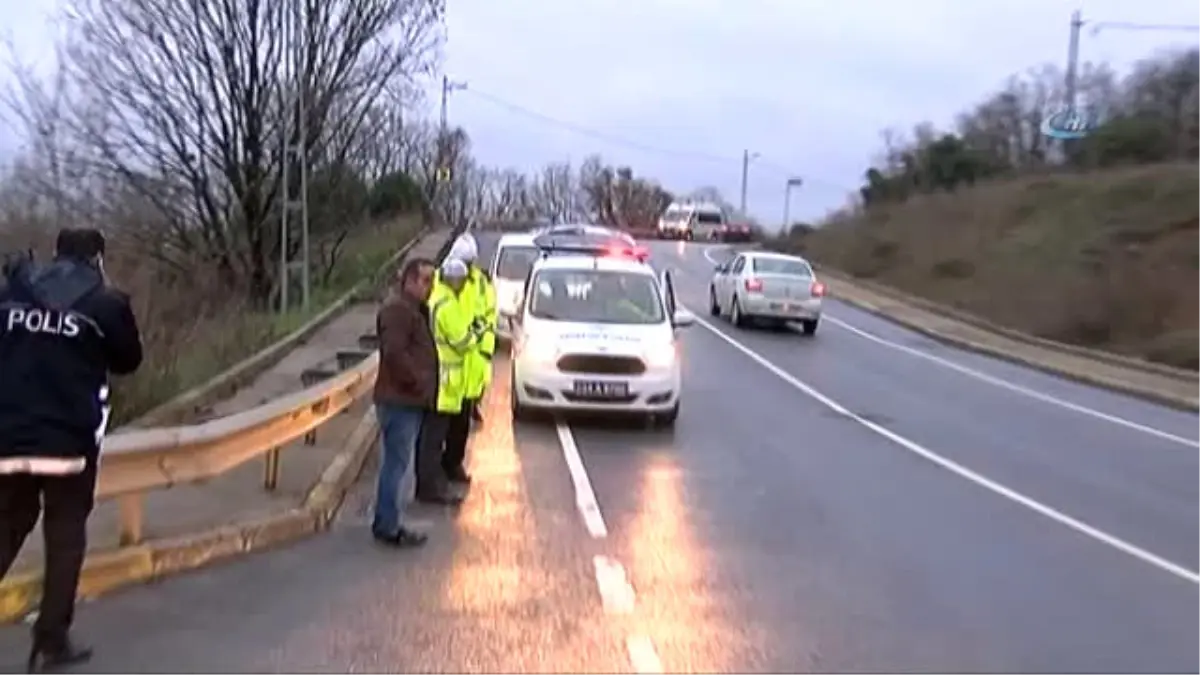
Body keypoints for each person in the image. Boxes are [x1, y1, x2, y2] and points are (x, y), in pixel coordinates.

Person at [0, 228, 143, 671]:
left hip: (9, 436)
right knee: (65, 539)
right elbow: (128, 360)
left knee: (6, 528)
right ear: (98, 258)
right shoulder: (105, 302)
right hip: (69, 441)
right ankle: (51, 641)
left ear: (56, 253)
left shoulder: (14, 292)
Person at [370, 256, 439, 548]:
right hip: (400, 400)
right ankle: (388, 525)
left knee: (395, 464)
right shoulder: (398, 310)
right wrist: (418, 382)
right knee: (396, 466)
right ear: (409, 280)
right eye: (425, 280)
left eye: (431, 281)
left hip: (404, 398)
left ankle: (386, 520)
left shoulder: (410, 309)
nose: (429, 286)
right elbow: (394, 353)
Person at [413, 258, 477, 505]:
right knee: (434, 436)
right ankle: (430, 487)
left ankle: (431, 483)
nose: (463, 286)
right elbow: (462, 341)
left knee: (432, 435)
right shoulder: (448, 305)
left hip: (439, 377)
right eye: (461, 281)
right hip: (445, 380)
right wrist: (474, 333)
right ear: (455, 280)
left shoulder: (436, 299)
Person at [441, 235, 495, 486]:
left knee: (461, 421)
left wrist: (484, 348)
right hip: (450, 361)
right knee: (442, 423)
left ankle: (453, 463)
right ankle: (444, 466)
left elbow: (489, 313)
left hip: (472, 360)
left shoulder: (481, 282)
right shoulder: (445, 279)